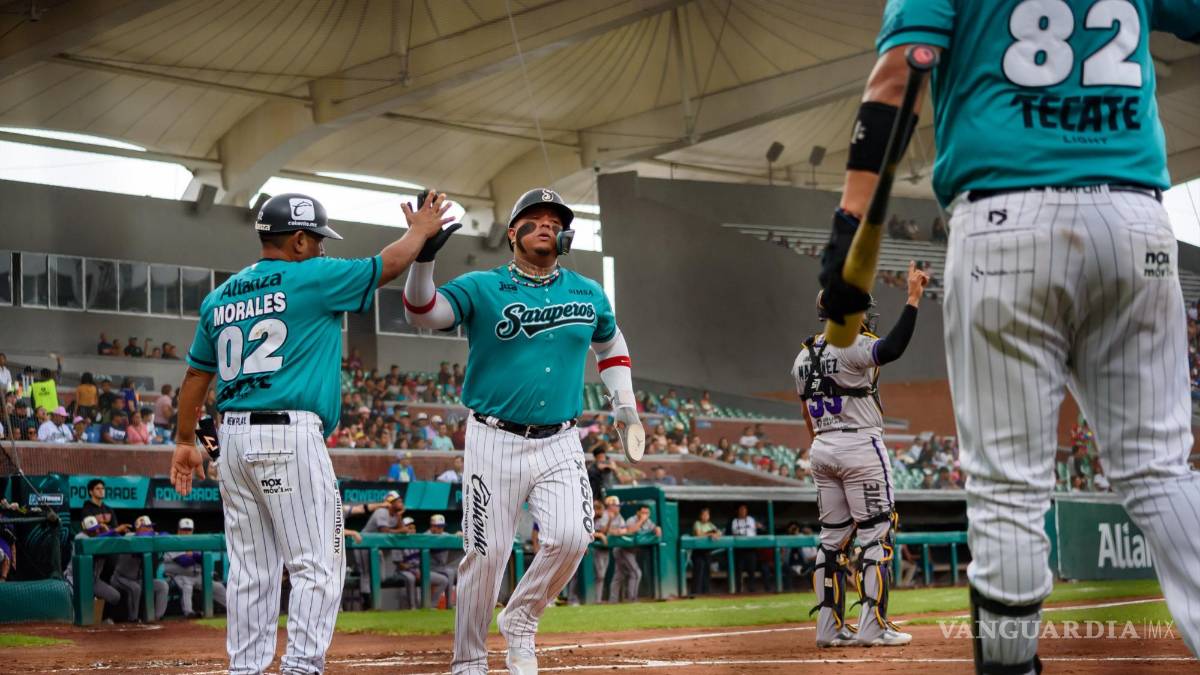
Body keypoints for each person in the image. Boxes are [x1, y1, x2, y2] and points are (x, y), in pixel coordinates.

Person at [813, 2, 1200, 670]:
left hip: (1007, 211)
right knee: (1159, 468)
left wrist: (849, 223)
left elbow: (899, 76)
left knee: (1009, 487)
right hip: (1135, 218)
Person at [169, 190, 451, 674]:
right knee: (317, 562)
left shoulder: (221, 296)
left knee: (251, 570)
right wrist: (419, 232)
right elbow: (385, 265)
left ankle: (246, 669)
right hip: (288, 435)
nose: (321, 247)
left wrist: (182, 441)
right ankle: (301, 667)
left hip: (232, 440)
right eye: (317, 238)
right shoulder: (314, 275)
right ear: (298, 240)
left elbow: (196, 375)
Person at [402, 187, 640, 675]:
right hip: (494, 437)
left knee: (573, 537)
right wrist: (423, 258)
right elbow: (423, 313)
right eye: (536, 217)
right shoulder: (482, 285)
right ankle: (469, 662)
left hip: (561, 438)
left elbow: (611, 343)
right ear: (513, 232)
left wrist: (625, 405)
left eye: (556, 220)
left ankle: (521, 618)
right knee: (486, 554)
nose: (547, 224)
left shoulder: (587, 292)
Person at [794, 266, 927, 648]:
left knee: (831, 541)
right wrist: (913, 299)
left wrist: (824, 446)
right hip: (860, 446)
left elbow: (805, 412)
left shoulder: (802, 356)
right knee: (876, 535)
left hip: (822, 446)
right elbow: (892, 348)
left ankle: (828, 628)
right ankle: (872, 625)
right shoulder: (853, 343)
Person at [163, 517, 227, 618]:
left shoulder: (196, 541)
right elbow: (184, 561)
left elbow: (204, 559)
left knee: (218, 587)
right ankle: (189, 612)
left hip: (197, 575)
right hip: (179, 575)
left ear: (192, 530)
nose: (186, 532)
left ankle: (233, 609)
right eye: (184, 529)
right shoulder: (173, 541)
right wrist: (196, 556)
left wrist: (192, 554)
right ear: (178, 530)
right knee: (187, 586)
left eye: (189, 530)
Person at [110, 515, 168, 621]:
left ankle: (157, 617)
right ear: (139, 528)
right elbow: (139, 538)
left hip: (138, 579)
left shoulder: (149, 538)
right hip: (120, 578)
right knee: (135, 588)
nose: (151, 529)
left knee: (162, 586)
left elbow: (166, 534)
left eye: (151, 526)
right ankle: (133, 619)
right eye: (148, 527)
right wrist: (153, 535)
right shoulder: (129, 536)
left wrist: (156, 534)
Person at [611, 505, 661, 603]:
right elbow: (630, 531)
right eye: (643, 512)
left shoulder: (648, 522)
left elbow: (654, 528)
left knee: (619, 575)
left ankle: (613, 600)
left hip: (630, 551)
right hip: (622, 549)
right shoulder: (631, 520)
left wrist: (657, 528)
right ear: (638, 512)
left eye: (647, 513)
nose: (645, 515)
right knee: (636, 573)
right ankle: (632, 599)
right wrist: (641, 520)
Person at [592, 495, 625, 604]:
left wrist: (615, 531)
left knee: (602, 575)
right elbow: (602, 531)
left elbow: (624, 530)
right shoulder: (604, 514)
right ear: (610, 506)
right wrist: (610, 523)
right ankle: (596, 599)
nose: (618, 507)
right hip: (596, 547)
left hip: (606, 548)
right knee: (599, 575)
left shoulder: (618, 516)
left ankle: (598, 600)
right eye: (616, 505)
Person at [729, 504, 764, 593]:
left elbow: (759, 529)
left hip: (751, 548)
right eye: (741, 509)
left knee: (751, 570)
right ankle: (738, 590)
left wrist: (759, 526)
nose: (743, 511)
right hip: (739, 549)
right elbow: (734, 533)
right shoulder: (734, 521)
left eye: (744, 509)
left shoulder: (751, 520)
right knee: (738, 570)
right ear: (738, 511)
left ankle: (752, 589)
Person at [427, 514, 459, 609]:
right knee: (446, 577)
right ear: (432, 526)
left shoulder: (444, 535)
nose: (441, 529)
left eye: (442, 526)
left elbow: (455, 536)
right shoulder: (426, 536)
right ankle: (433, 605)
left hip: (440, 568)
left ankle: (449, 605)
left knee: (452, 572)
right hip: (428, 568)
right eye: (438, 526)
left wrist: (458, 534)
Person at [690, 508, 720, 596]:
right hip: (697, 552)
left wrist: (716, 534)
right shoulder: (697, 523)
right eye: (704, 515)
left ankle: (706, 593)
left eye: (707, 515)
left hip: (707, 552)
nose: (706, 516)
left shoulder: (710, 524)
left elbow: (719, 532)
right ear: (700, 516)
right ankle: (696, 592)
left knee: (707, 572)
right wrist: (710, 534)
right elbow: (699, 534)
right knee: (698, 571)